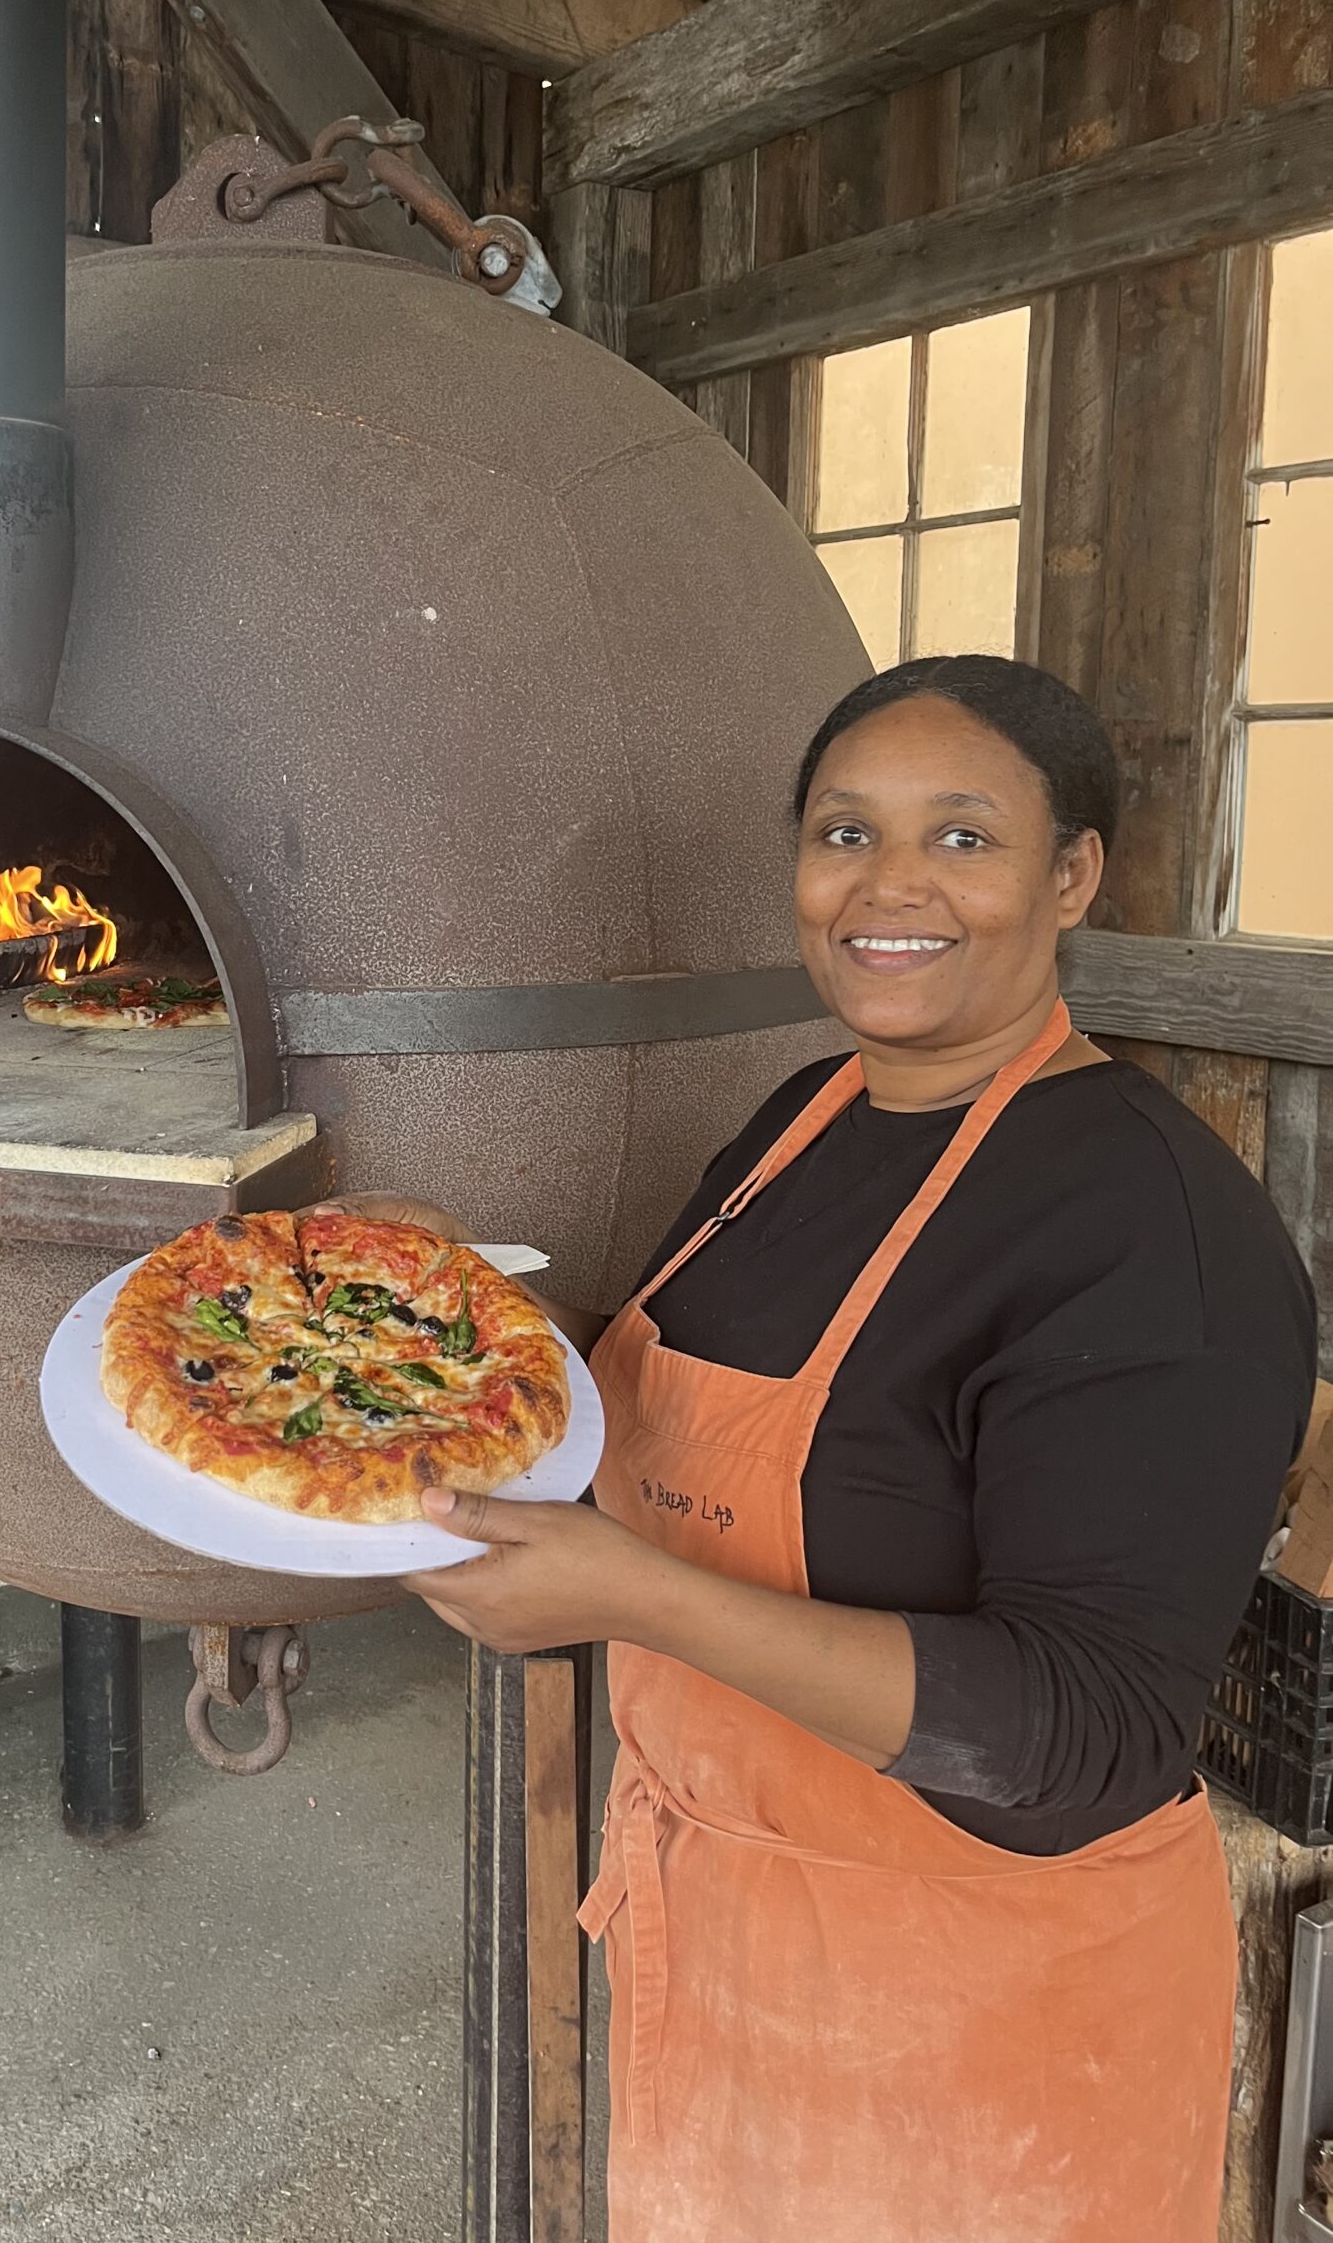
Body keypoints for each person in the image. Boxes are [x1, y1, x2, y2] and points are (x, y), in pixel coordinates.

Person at [371, 656, 1316, 2243]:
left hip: (986, 2043)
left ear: (1072, 875)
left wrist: (628, 1597)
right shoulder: (806, 1116)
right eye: (843, 833)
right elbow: (657, 1403)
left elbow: (1078, 1738)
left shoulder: (1147, 1234)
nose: (889, 888)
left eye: (964, 840)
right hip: (728, 1947)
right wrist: (440, 1305)